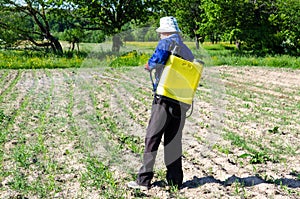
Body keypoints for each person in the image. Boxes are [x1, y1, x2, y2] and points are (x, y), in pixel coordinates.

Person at [127, 16, 194, 190]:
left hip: (163, 99)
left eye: (160, 33)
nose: (159, 36)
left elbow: (156, 62)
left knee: (152, 138)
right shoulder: (187, 50)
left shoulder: (165, 44)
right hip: (181, 101)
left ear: (165, 31)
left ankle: (143, 180)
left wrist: (148, 65)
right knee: (173, 141)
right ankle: (175, 181)